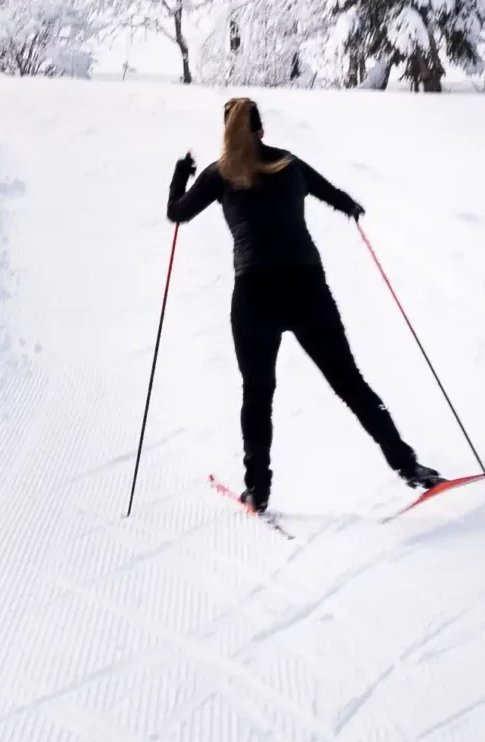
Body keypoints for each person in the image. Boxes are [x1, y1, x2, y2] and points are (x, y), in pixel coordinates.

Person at [166, 97, 441, 513]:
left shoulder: (219, 174)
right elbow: (333, 194)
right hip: (306, 288)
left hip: (254, 296)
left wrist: (179, 174)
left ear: (227, 134)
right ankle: (408, 466)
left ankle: (257, 490)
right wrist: (350, 207)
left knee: (257, 393)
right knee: (350, 383)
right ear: (262, 130)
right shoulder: (288, 163)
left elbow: (177, 213)